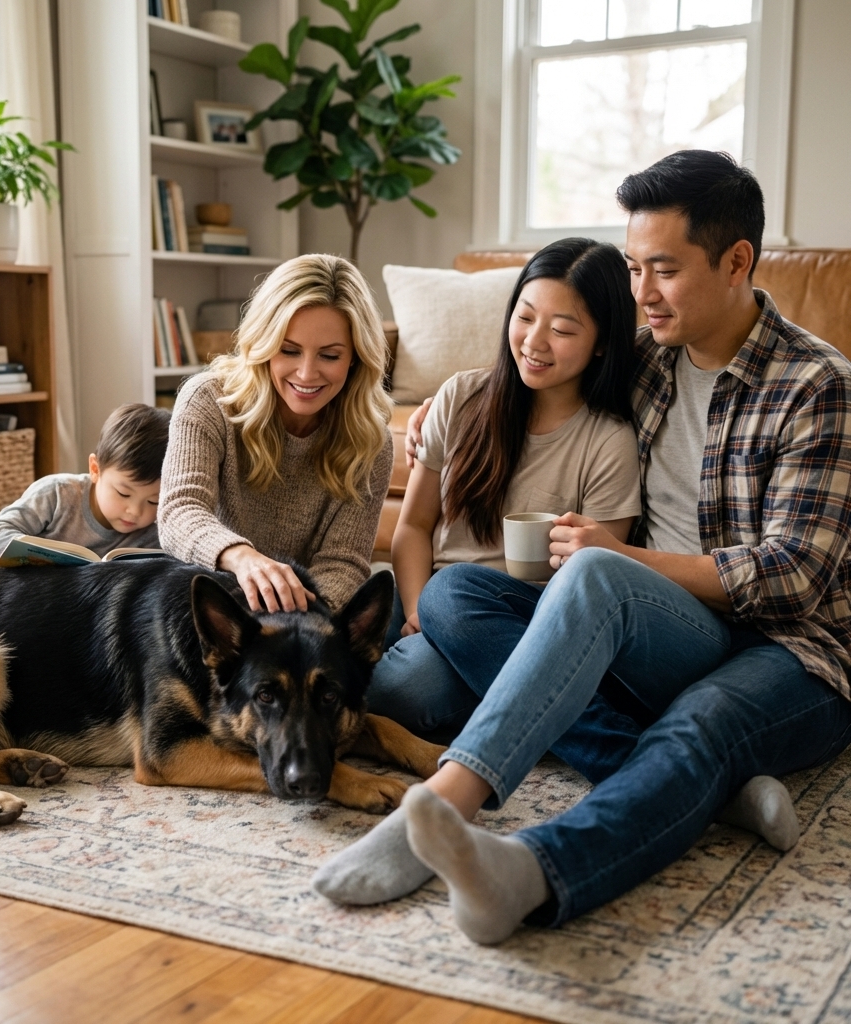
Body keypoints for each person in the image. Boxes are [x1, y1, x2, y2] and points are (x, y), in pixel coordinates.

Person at [314, 150, 851, 943]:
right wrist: (443, 403)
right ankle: (715, 793)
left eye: (662, 270)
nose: (642, 293)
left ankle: (522, 867)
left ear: (737, 261)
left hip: (795, 652)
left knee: (689, 712)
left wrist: (622, 560)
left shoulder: (817, 385)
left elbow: (793, 576)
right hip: (672, 632)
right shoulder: (644, 362)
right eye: (634, 268)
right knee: (461, 595)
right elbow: (540, 359)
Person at [368, 238, 643, 739]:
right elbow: (413, 526)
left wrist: (446, 622)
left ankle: (522, 701)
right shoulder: (460, 397)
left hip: (519, 625)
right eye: (525, 316)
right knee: (323, 630)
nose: (535, 342)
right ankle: (515, 706)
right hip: (428, 595)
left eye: (562, 329)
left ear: (602, 342)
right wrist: (415, 612)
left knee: (399, 689)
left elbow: (589, 591)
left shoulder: (608, 442)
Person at [157, 253, 393, 612]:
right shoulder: (208, 400)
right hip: (209, 606)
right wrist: (243, 558)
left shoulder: (371, 442)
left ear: (356, 359)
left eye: (329, 356)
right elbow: (180, 510)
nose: (306, 373)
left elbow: (343, 564)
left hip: (299, 618)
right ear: (263, 344)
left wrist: (294, 625)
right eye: (289, 351)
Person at [0, 403, 171, 578]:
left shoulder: (156, 530)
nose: (135, 511)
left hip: (19, 588)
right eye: (123, 493)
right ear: (95, 468)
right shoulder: (59, 493)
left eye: (153, 501)